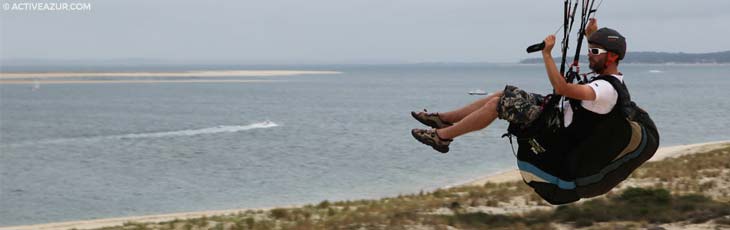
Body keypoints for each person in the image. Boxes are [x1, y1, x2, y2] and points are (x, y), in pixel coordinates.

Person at [411, 18, 629, 153]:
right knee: (505, 93)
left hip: (556, 129)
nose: (590, 55)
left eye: (595, 52)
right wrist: (592, 36)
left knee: (499, 105)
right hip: (556, 111)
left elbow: (562, 88)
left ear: (612, 57)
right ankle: (444, 119)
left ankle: (443, 138)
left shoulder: (606, 90)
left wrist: (546, 54)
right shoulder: (606, 78)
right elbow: (577, 81)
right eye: (590, 49)